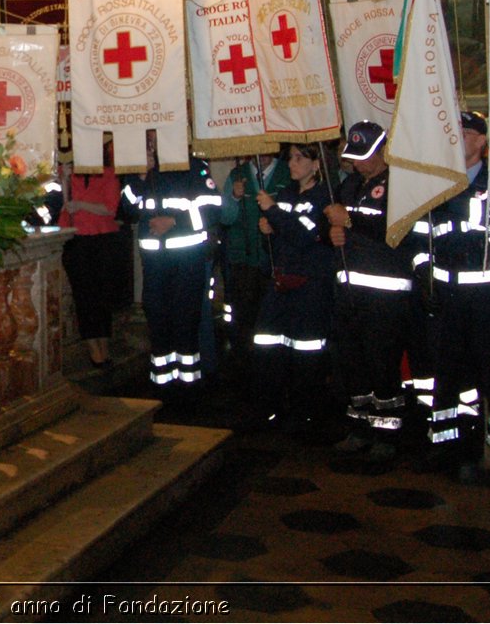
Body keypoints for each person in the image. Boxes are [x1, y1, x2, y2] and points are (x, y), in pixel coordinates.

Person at [420, 110, 490, 485]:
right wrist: (422, 272)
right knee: (448, 376)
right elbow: (420, 235)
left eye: (464, 131)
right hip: (448, 298)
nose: (457, 136)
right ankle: (451, 448)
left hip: (488, 300)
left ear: (481, 141)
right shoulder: (438, 184)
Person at [326, 121, 419, 463]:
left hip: (386, 295)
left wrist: (349, 221)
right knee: (352, 363)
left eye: (365, 156)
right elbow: (333, 227)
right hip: (349, 292)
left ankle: (387, 435)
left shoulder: (398, 184)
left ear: (383, 151)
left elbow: (397, 231)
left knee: (382, 364)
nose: (359, 164)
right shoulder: (349, 185)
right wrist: (332, 232)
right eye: (354, 157)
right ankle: (358, 428)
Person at [123, 135, 222, 391]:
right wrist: (141, 178)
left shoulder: (193, 166)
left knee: (185, 320)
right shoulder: (142, 173)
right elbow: (126, 209)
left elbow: (212, 208)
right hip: (154, 264)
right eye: (150, 140)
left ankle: (189, 384)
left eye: (158, 137)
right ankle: (162, 383)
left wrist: (176, 222)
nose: (153, 145)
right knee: (157, 319)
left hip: (187, 261)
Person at [251, 142, 335, 433]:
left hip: (310, 285)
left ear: (316, 164)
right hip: (281, 282)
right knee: (269, 345)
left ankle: (307, 414)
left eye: (300, 157)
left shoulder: (324, 197)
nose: (292, 163)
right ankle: (271, 407)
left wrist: (273, 214)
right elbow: (280, 237)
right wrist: (267, 232)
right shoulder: (286, 194)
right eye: (290, 157)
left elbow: (303, 235)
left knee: (306, 352)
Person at [58, 143, 129, 368]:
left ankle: (104, 343)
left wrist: (80, 204)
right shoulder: (65, 174)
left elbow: (110, 208)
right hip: (75, 239)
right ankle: (93, 347)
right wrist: (63, 181)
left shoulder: (108, 175)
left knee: (102, 294)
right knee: (83, 295)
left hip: (102, 240)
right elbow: (58, 202)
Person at [220, 150, 290, 352]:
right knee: (244, 317)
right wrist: (233, 196)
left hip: (275, 258)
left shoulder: (286, 173)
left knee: (272, 317)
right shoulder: (237, 175)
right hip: (243, 259)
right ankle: (243, 360)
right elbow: (225, 217)